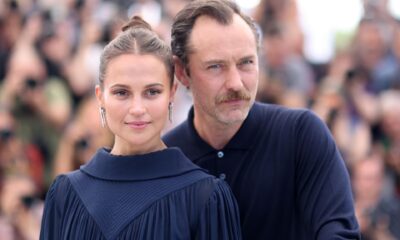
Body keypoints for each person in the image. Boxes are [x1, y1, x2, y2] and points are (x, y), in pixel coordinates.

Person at [163, 0, 360, 239]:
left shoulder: (301, 135)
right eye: (216, 67)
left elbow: (339, 233)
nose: (235, 83)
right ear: (183, 72)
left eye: (246, 62)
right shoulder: (166, 159)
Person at [39, 16, 241, 240]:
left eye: (152, 92)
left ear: (172, 94)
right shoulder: (65, 193)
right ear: (100, 97)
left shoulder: (205, 196)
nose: (137, 108)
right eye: (121, 93)